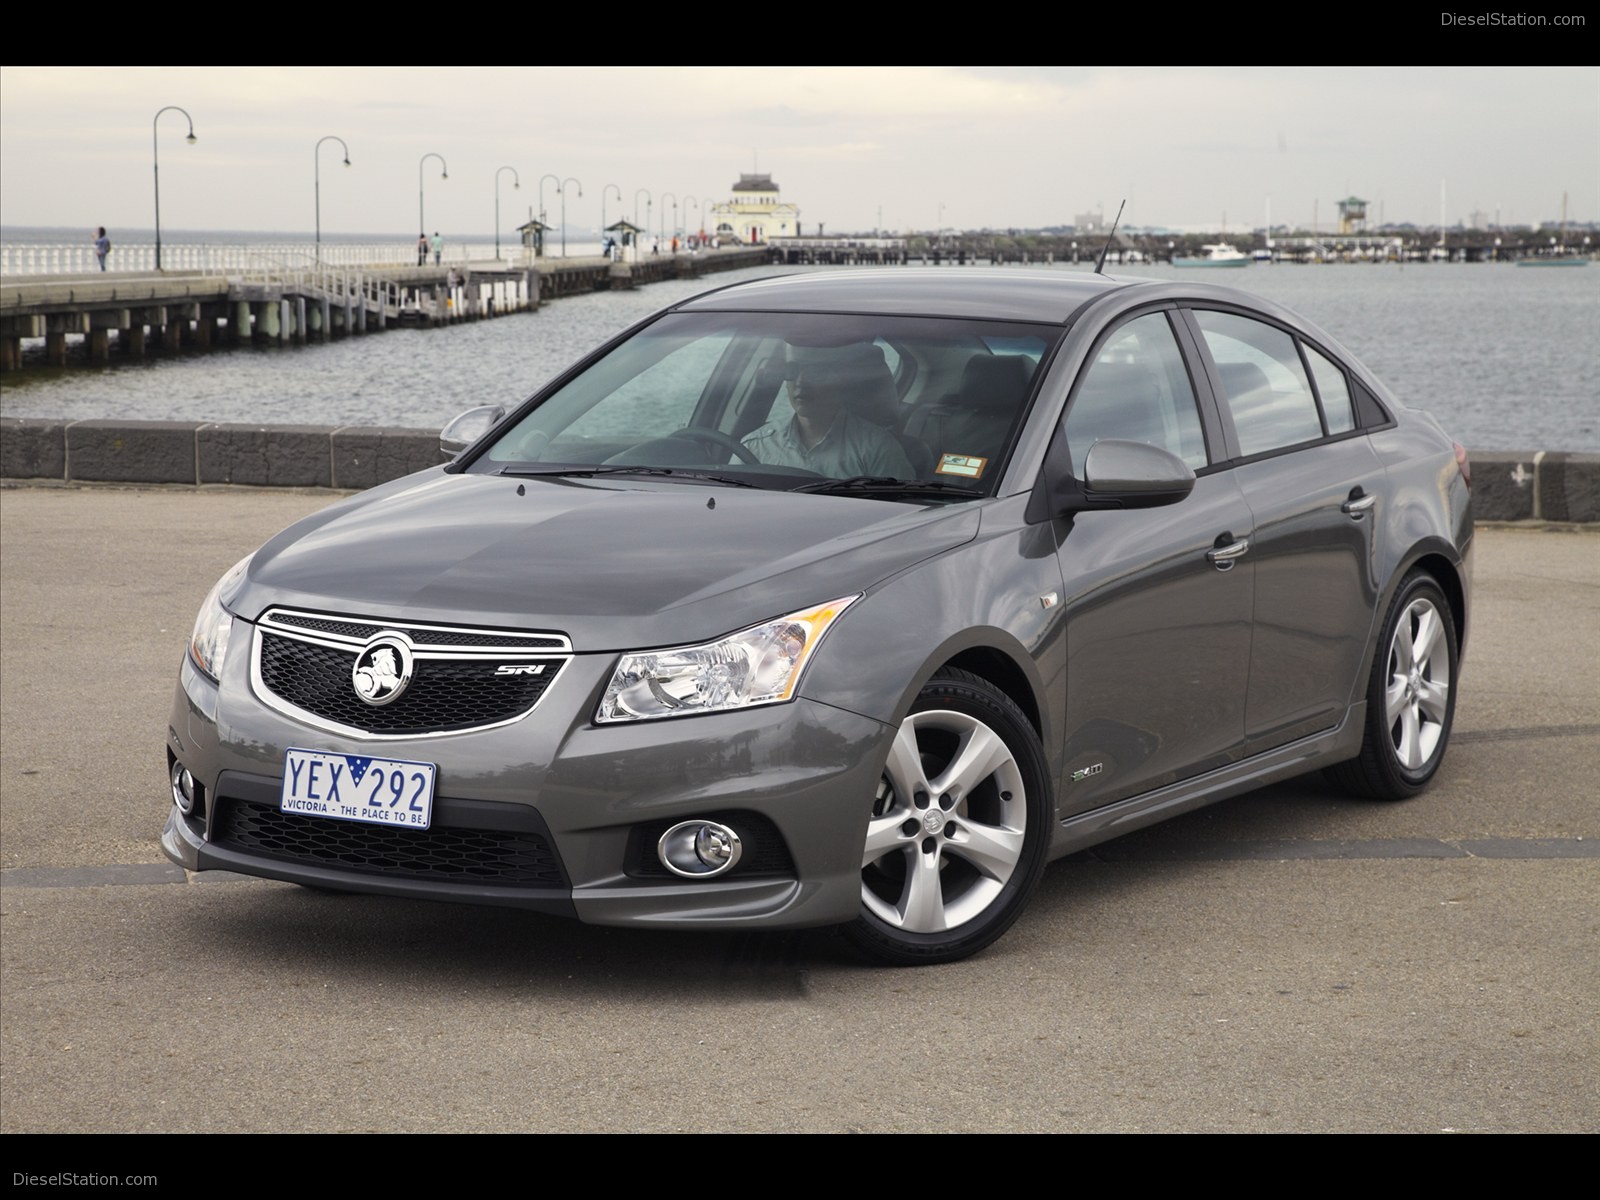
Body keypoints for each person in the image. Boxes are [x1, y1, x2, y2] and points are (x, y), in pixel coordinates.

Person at [742, 354, 915, 479]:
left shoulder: (878, 448)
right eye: (792, 372)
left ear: (841, 382)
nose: (801, 382)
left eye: (815, 372)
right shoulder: (755, 446)